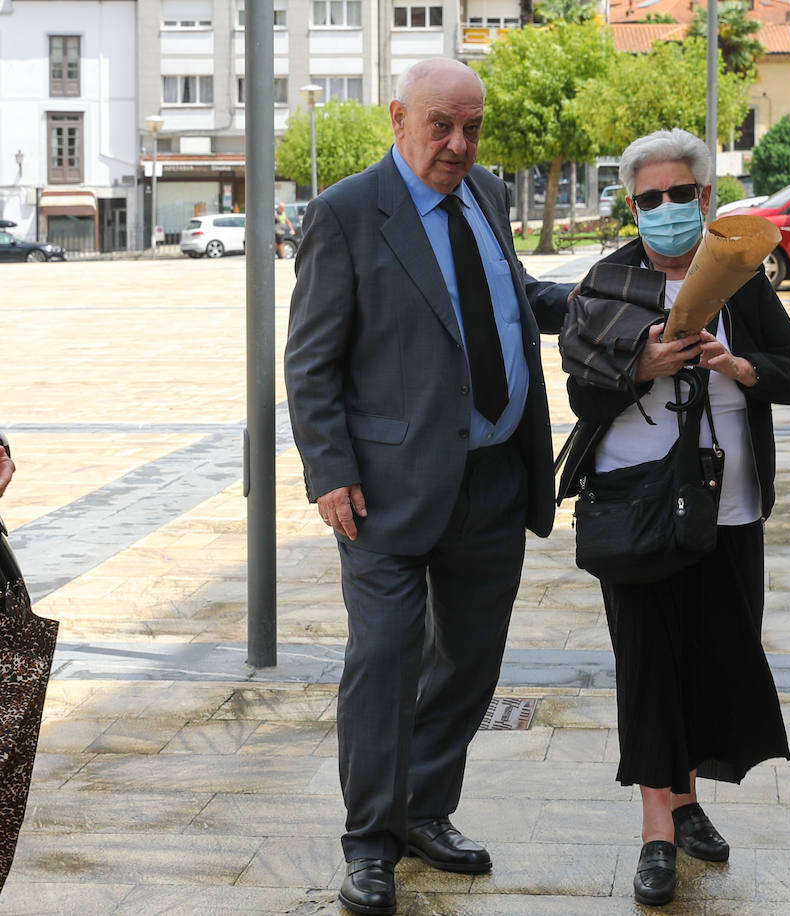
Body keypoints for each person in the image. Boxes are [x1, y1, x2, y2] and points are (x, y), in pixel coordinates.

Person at [283, 58, 573, 916]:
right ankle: (369, 841)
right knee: (382, 661)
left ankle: (425, 809)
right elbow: (310, 363)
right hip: (383, 491)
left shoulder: (487, 194)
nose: (459, 144)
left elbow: (505, 297)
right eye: (442, 125)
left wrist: (601, 298)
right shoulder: (344, 215)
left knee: (471, 661)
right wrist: (328, 471)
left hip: (491, 478)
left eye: (472, 127)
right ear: (398, 117)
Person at [559, 129, 790, 907]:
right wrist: (640, 366)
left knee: (710, 655)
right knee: (647, 664)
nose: (665, 209)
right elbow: (581, 395)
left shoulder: (743, 280)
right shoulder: (607, 283)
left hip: (729, 506)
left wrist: (738, 367)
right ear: (631, 207)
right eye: (648, 199)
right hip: (635, 506)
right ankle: (656, 836)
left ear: (706, 198)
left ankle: (688, 797)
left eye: (679, 195)